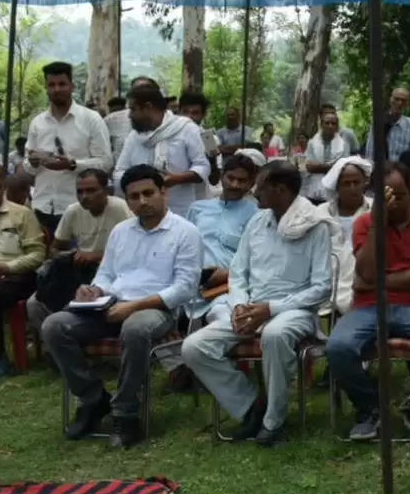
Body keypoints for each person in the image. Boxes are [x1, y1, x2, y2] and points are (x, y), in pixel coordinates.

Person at [42, 165, 202, 448]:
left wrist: (134, 306)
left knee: (136, 327)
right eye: (134, 196)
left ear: (163, 192)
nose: (142, 201)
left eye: (149, 193)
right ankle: (93, 399)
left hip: (157, 309)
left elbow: (185, 288)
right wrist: (93, 289)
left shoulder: (185, 232)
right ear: (126, 200)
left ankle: (126, 413)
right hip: (111, 305)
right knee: (54, 325)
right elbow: (106, 274)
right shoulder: (121, 231)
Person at [181, 164, 334, 446]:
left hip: (294, 312)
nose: (254, 191)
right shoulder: (257, 221)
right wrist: (239, 305)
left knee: (275, 334)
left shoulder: (315, 226)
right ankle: (252, 407)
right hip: (250, 308)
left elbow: (322, 288)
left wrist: (270, 309)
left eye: (260, 185)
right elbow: (239, 273)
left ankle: (273, 422)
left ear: (280, 190)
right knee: (194, 346)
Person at [325, 162, 410, 442]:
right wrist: (377, 225)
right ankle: (371, 408)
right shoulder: (365, 224)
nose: (394, 202)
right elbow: (367, 272)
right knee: (338, 347)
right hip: (368, 308)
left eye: (399, 195)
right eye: (387, 196)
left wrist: (379, 282)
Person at [0, 162, 47, 382]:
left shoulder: (22, 214)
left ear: (3, 186)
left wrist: (6, 267)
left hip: (17, 275)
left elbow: (38, 255)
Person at [31, 169, 133, 332]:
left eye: (91, 190)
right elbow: (55, 248)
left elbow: (132, 251)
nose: (84, 196)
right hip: (80, 271)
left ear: (106, 191)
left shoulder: (120, 209)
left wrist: (95, 256)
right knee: (34, 304)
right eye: (80, 191)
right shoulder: (73, 211)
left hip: (112, 274)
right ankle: (55, 346)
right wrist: (70, 255)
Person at [26, 61, 114, 234]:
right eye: (51, 85)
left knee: (77, 259)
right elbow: (27, 166)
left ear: (72, 86)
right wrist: (33, 162)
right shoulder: (37, 123)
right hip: (42, 207)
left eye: (62, 84)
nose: (57, 89)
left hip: (79, 207)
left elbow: (105, 163)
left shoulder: (91, 119)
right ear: (46, 87)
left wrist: (72, 164)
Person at [114, 85, 211, 218]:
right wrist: (138, 182)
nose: (130, 115)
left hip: (180, 211)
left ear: (148, 107)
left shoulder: (187, 129)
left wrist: (175, 179)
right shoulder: (134, 136)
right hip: (142, 211)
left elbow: (203, 166)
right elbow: (119, 171)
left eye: (133, 109)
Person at [185, 155, 262, 314]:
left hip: (228, 288)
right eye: (230, 178)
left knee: (222, 316)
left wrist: (227, 274)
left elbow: (259, 259)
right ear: (221, 177)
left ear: (251, 183)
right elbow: (183, 248)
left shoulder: (257, 215)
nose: (235, 185)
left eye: (242, 181)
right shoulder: (197, 209)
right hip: (191, 285)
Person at [304, 108, 357, 202]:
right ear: (321, 125)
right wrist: (330, 167)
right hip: (313, 192)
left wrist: (319, 167)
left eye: (333, 124)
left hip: (334, 191)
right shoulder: (312, 143)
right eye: (327, 123)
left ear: (337, 127)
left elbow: (342, 167)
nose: (330, 126)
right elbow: (309, 166)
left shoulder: (343, 145)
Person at [323, 156, 373, 238]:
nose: (352, 188)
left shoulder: (375, 209)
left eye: (356, 182)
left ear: (364, 183)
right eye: (346, 183)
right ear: (337, 186)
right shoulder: (322, 212)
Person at [366, 87, 410, 162]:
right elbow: (370, 152)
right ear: (391, 100)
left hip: (402, 171)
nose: (400, 103)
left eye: (403, 101)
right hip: (380, 170)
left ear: (407, 104)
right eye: (397, 99)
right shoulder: (379, 122)